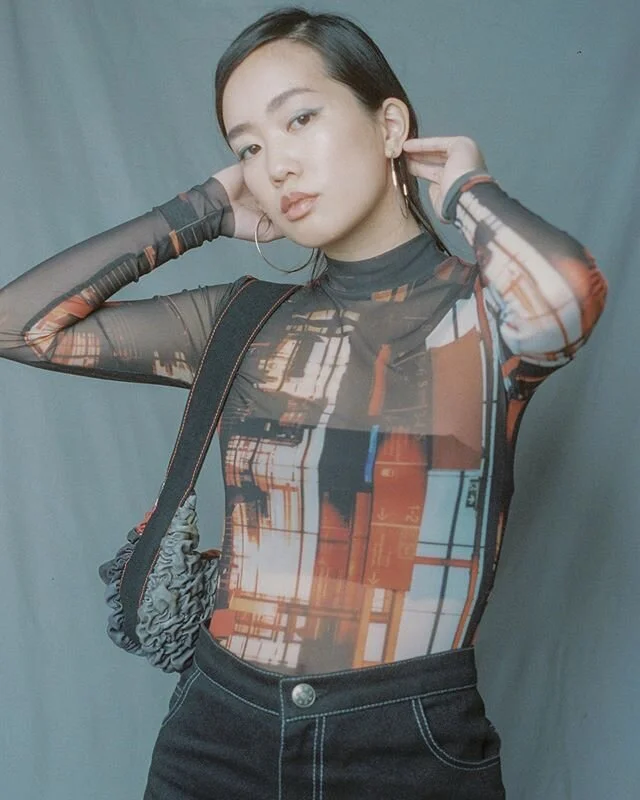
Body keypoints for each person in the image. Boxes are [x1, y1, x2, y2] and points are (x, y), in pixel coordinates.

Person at [0, 6, 608, 799]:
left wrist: (466, 187)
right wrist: (199, 212)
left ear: (390, 125)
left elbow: (569, 295)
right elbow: (18, 326)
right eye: (248, 147)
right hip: (217, 733)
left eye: (300, 119)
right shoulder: (240, 320)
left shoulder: (487, 316)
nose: (276, 165)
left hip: (406, 746)